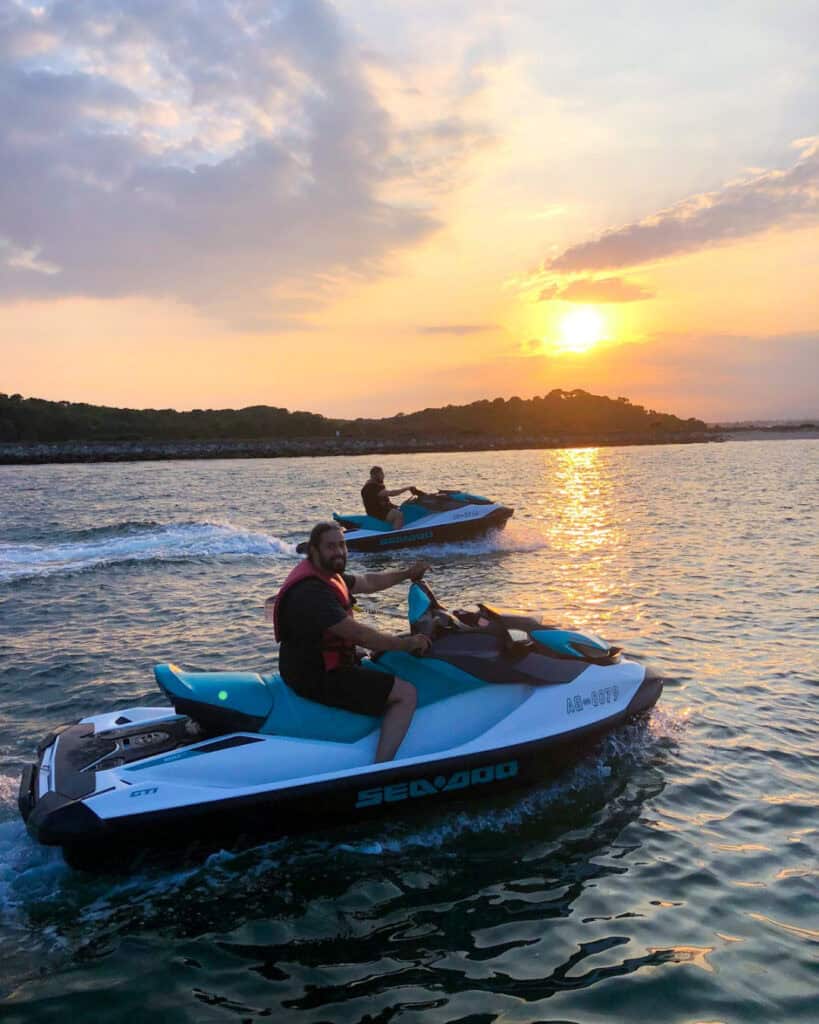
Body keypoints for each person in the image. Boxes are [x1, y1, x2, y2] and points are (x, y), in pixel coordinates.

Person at [266, 522, 431, 763]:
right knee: (406, 694)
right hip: (316, 675)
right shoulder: (312, 592)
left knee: (383, 656)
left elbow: (369, 582)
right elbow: (361, 636)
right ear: (314, 550)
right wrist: (408, 644)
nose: (339, 552)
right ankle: (382, 767)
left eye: (342, 545)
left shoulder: (326, 574)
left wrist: (407, 574)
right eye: (331, 546)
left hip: (315, 661)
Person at [361, 465, 417, 530]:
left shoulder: (377, 485)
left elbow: (385, 501)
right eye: (381, 474)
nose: (383, 476)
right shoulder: (370, 487)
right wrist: (407, 488)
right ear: (374, 475)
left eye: (382, 474)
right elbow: (391, 493)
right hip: (377, 513)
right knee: (398, 515)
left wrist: (396, 506)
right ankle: (395, 534)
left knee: (404, 508)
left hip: (382, 510)